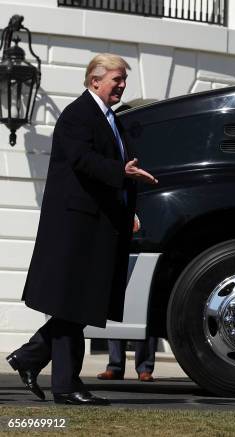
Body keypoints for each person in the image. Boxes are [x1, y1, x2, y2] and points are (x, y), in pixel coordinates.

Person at [5, 53, 158, 405]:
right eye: (117, 79)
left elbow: (116, 166)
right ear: (95, 81)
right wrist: (122, 174)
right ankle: (64, 385)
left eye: (123, 79)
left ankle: (34, 362)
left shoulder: (110, 119)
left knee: (76, 304)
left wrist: (127, 209)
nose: (122, 85)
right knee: (74, 304)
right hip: (75, 226)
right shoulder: (78, 115)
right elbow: (83, 160)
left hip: (97, 224)